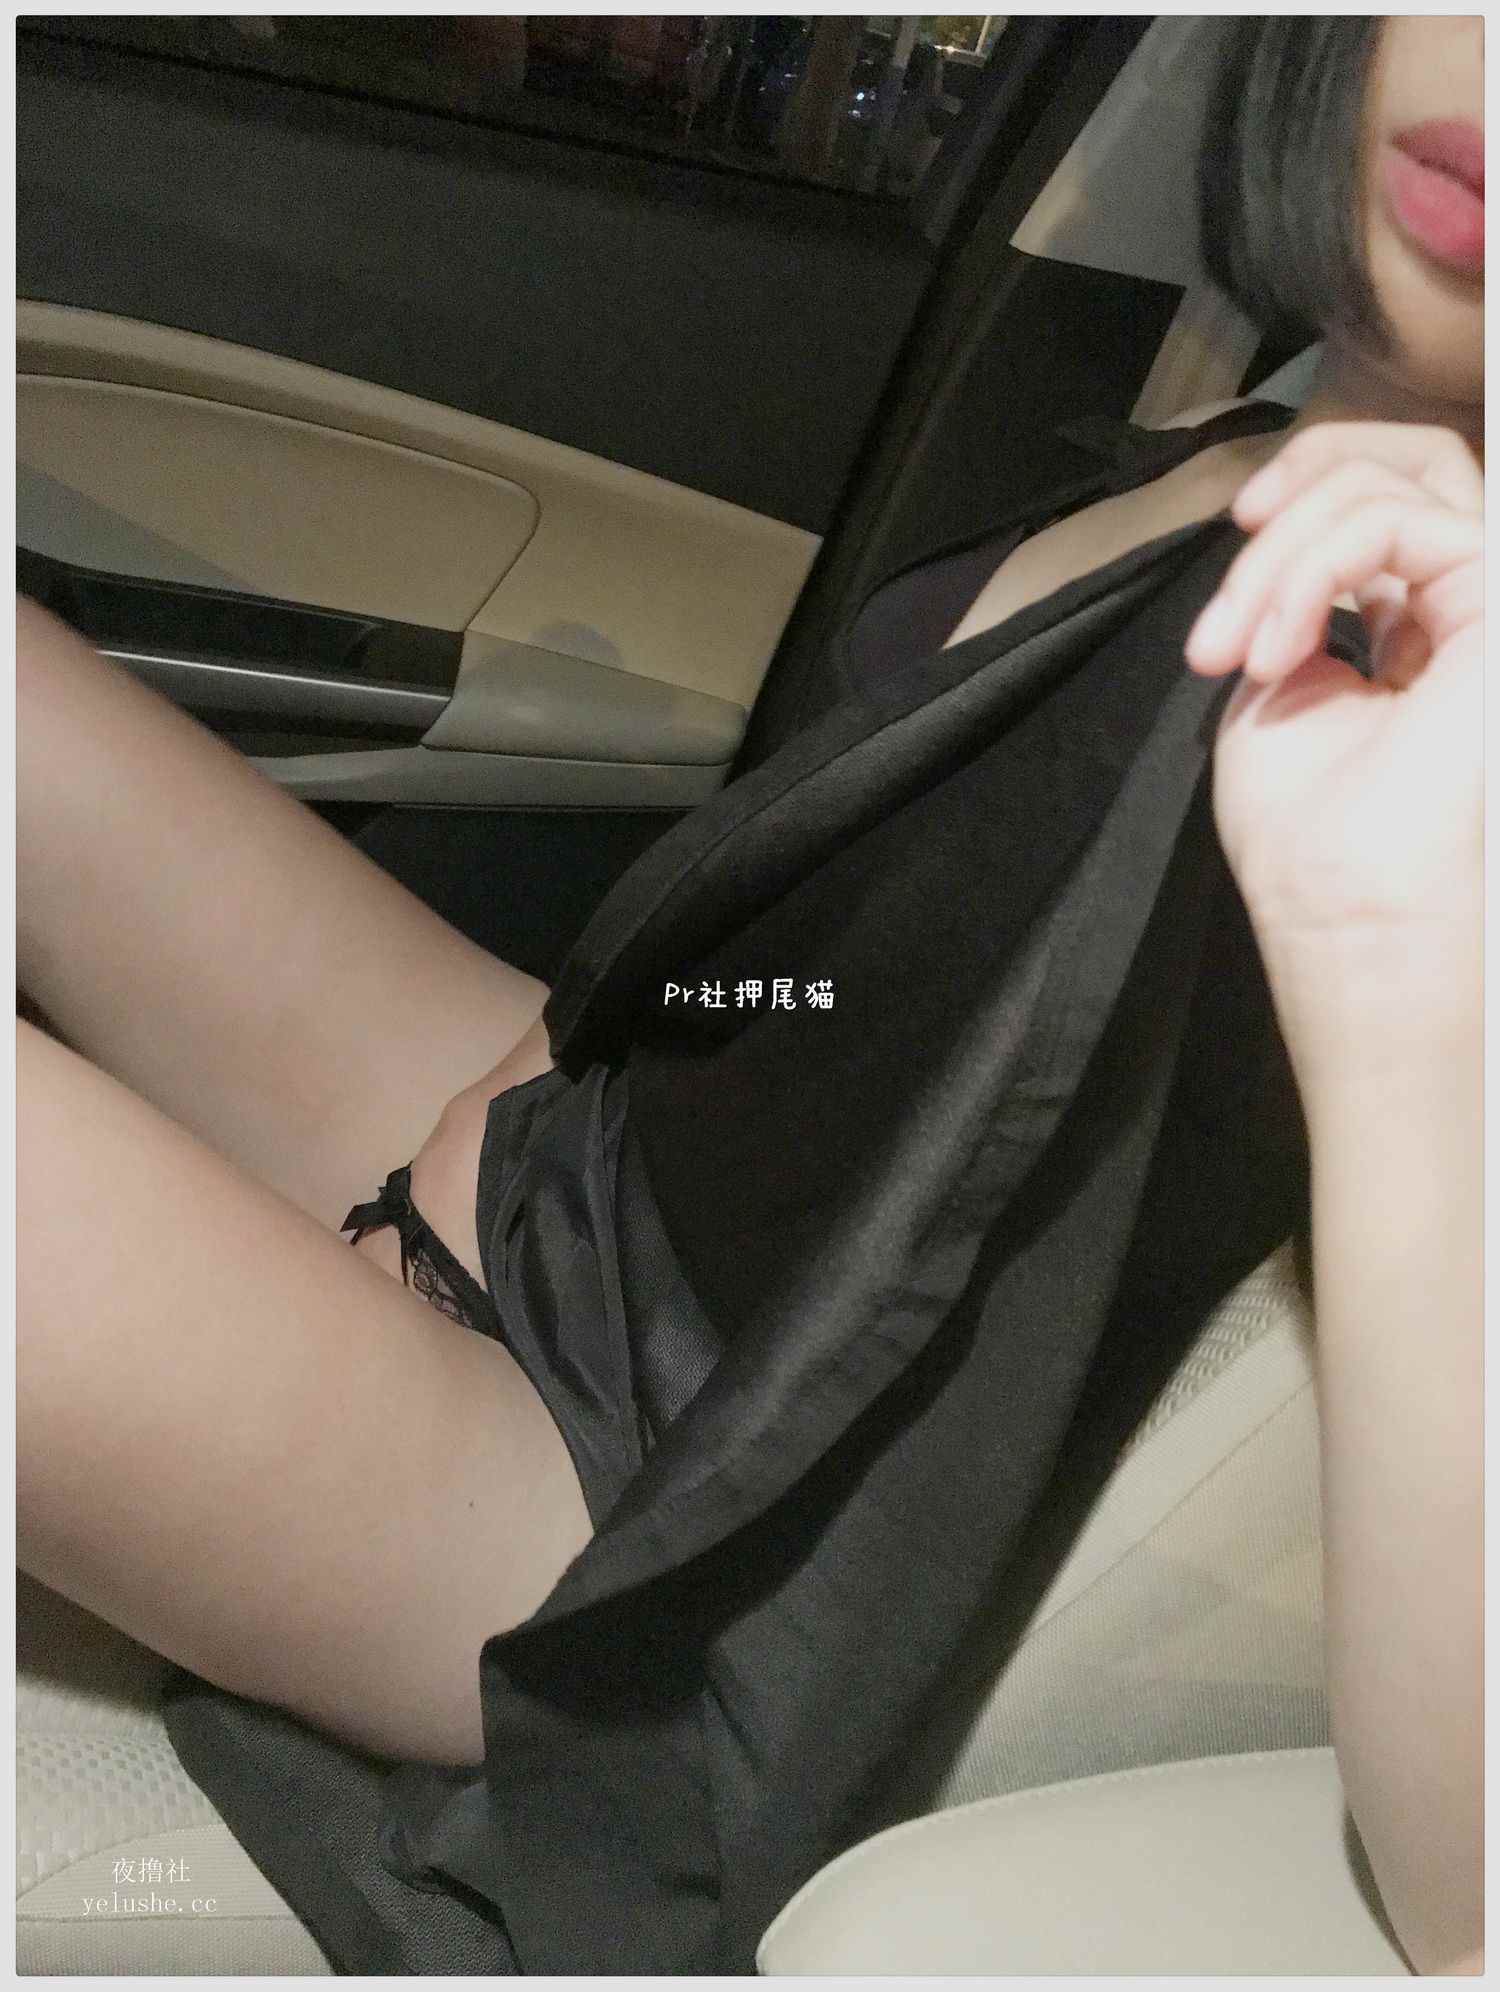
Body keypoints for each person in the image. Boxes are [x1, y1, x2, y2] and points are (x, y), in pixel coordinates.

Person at [16, 14, 1481, 1975]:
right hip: (564, 1153)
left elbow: (1476, 1886)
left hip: (591, 1519)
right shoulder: (1267, 434)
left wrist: (1404, 970)